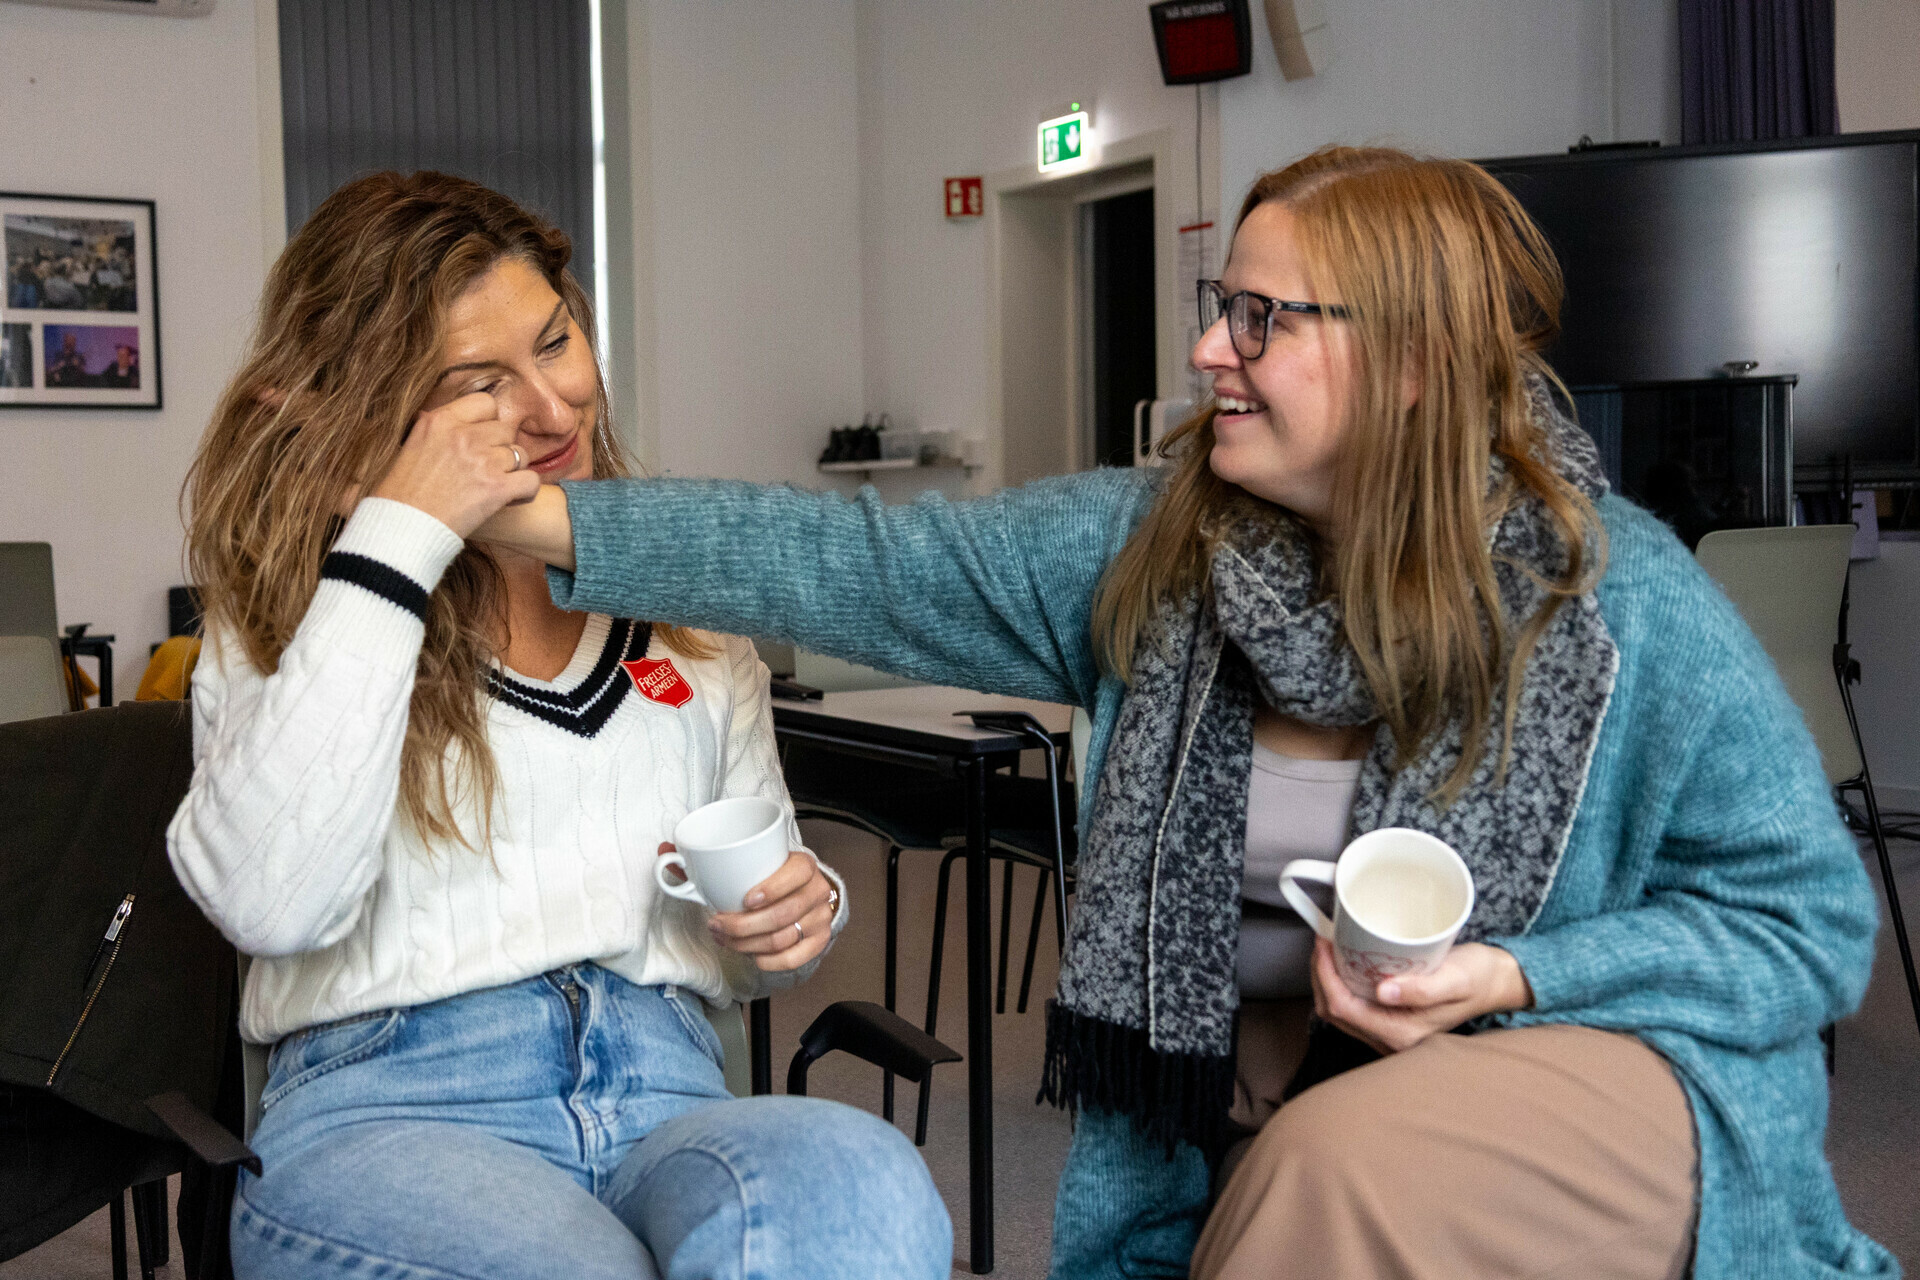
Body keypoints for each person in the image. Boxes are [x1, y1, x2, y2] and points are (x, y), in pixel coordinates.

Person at [474, 145, 1893, 1279]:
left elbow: (1806, 927)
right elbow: (844, 560)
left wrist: (1517, 977)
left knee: (1336, 1169)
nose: (1213, 348)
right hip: (1260, 1147)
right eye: (1223, 305)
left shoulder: (1606, 598)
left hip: (1590, 1099)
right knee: (1303, 1173)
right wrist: (517, 512)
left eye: (1262, 319)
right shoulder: (1152, 557)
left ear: (1409, 363)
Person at [168, 169, 950, 1280]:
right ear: (376, 410)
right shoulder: (297, 614)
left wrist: (798, 914)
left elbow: (750, 937)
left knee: (866, 1195)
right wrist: (396, 535)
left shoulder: (686, 618)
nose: (552, 407)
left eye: (557, 340)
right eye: (480, 382)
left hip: (669, 1090)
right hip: (394, 1106)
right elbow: (269, 901)